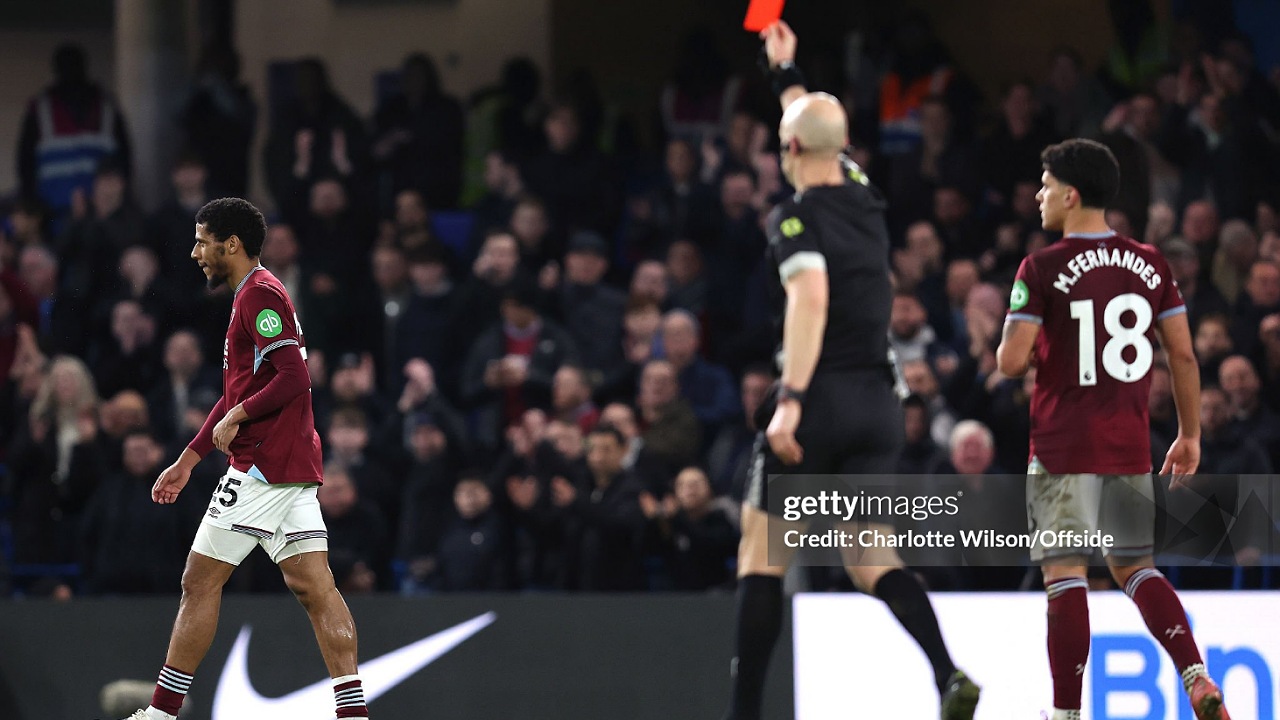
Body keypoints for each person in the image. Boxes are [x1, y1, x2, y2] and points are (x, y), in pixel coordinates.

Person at [723, 21, 979, 720]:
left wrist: (791, 400)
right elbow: (813, 129)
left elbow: (810, 299)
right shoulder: (866, 198)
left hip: (819, 400)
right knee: (871, 557)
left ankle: (743, 713)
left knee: (761, 553)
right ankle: (946, 671)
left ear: (788, 151)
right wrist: (787, 70)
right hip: (879, 405)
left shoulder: (793, 219)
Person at [996, 138, 1229, 720]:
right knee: (1135, 568)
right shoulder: (1151, 263)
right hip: (1125, 445)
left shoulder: (1041, 266)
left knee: (1065, 576)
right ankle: (1195, 675)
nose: (1039, 195)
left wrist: (1022, 335)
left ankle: (1067, 714)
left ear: (1072, 196)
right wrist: (1190, 433)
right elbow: (1182, 357)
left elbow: (1009, 361)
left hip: (1059, 447)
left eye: (1047, 185)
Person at [120, 198, 368, 720]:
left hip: (261, 468)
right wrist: (189, 457)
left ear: (230, 243)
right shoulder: (255, 294)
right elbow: (245, 389)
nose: (195, 253)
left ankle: (162, 713)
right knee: (315, 588)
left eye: (202, 241)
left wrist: (241, 417)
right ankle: (353, 715)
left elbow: (295, 378)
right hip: (291, 464)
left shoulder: (259, 295)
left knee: (198, 582)